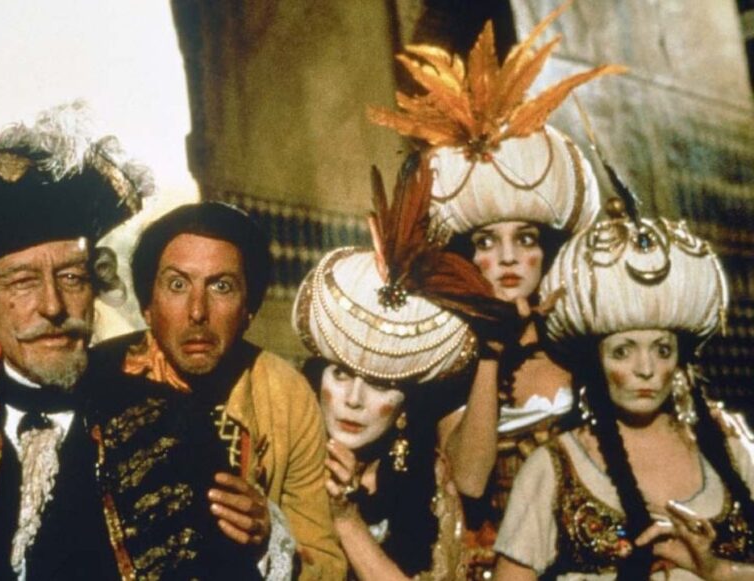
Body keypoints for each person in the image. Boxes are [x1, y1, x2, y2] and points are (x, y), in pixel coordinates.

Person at [0, 105, 291, 580]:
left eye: (71, 277)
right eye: (23, 282)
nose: (52, 306)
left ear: (95, 289)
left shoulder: (172, 426)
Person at [367, 5, 621, 575]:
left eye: (524, 238)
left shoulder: (582, 348)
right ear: (467, 256)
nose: (506, 257)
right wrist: (489, 354)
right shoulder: (451, 359)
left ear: (545, 251)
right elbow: (470, 479)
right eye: (486, 241)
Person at [494, 198, 754, 580]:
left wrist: (718, 570)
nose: (645, 369)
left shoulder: (730, 450)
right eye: (622, 352)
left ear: (679, 361)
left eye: (661, 350)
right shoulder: (555, 466)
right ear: (595, 364)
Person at [89, 201, 347, 580]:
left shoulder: (284, 394)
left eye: (221, 287)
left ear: (248, 310)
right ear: (147, 306)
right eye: (177, 285)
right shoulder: (100, 378)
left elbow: (327, 565)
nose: (198, 311)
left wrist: (271, 538)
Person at [291, 154, 508, 580]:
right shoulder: (282, 459)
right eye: (341, 375)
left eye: (379, 384)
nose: (354, 400)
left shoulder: (428, 479)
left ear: (405, 404)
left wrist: (346, 518)